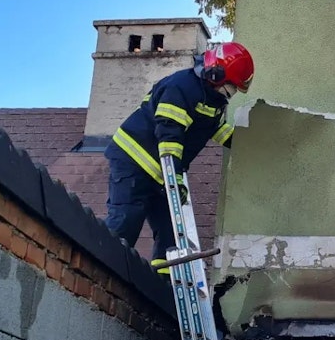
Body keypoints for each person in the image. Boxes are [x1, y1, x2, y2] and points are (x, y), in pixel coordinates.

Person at [104, 43, 254, 272]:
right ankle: (102, 270)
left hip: (162, 171)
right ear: (216, 74)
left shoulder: (212, 99)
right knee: (126, 219)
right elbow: (169, 133)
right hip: (134, 162)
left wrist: (247, 146)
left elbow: (214, 128)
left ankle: (162, 283)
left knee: (171, 233)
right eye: (231, 88)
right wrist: (175, 176)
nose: (231, 94)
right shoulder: (181, 87)